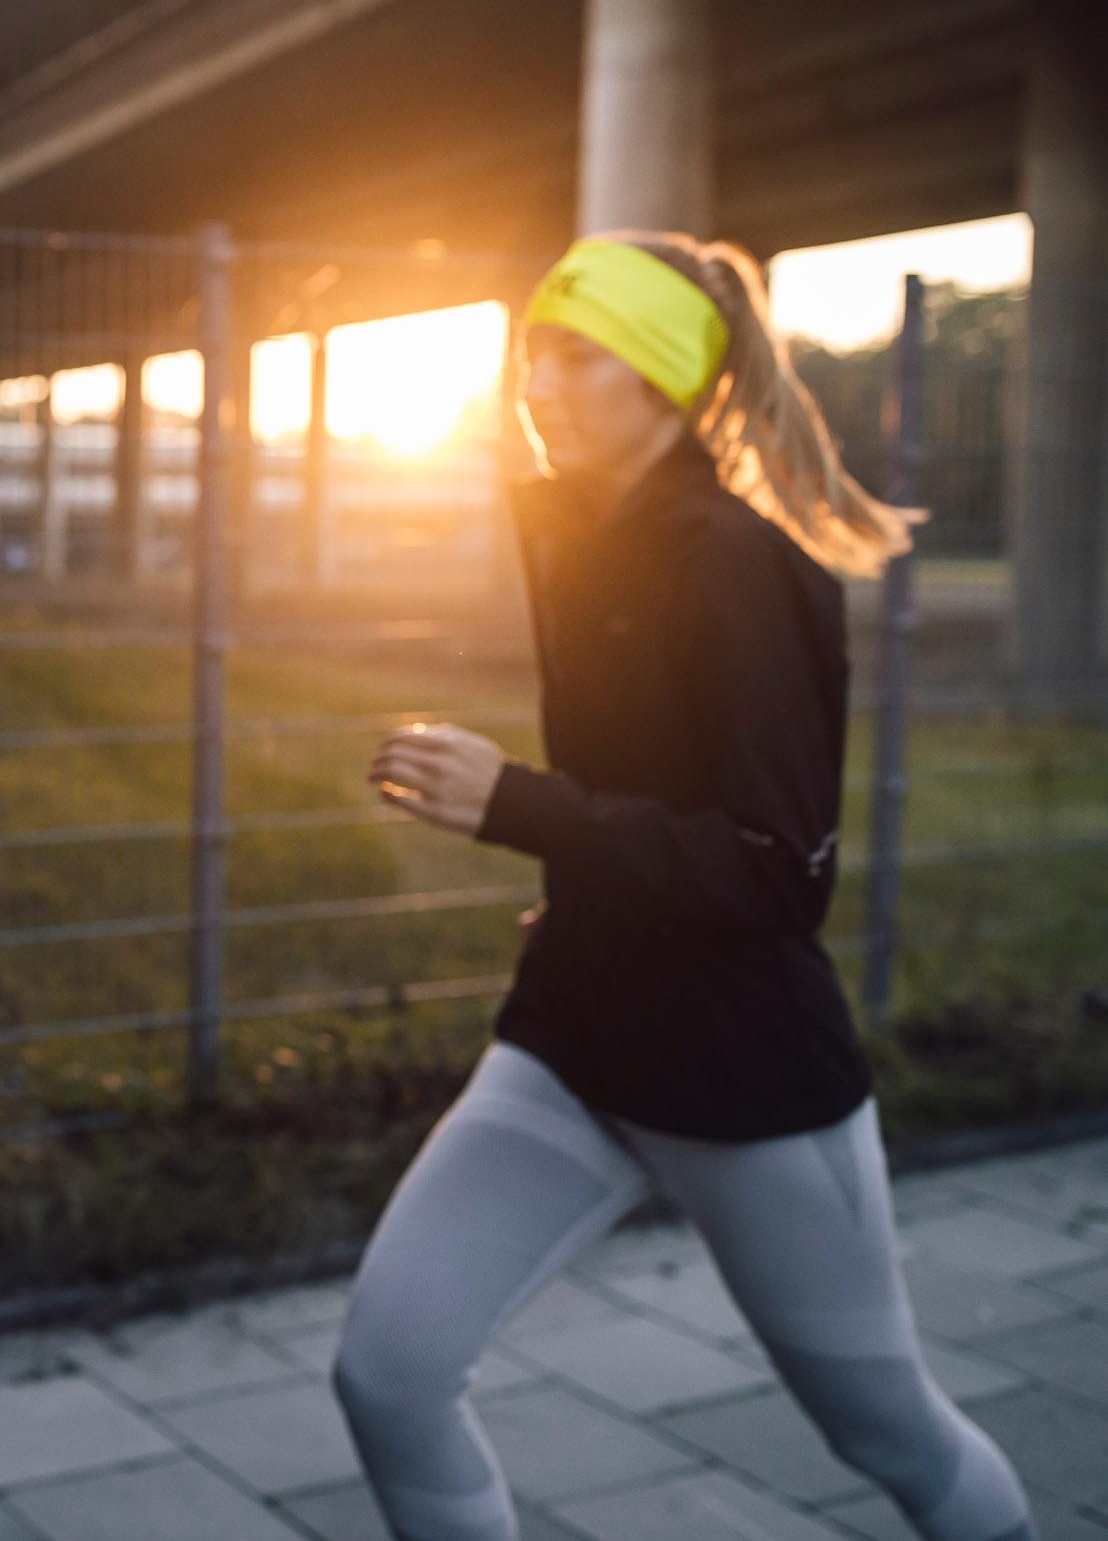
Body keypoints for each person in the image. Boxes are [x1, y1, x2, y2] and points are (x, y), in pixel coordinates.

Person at [331, 233, 1034, 1540]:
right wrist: (530, 815)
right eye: (536, 351)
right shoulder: (577, 535)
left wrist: (513, 802)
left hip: (746, 1079)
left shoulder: (740, 567)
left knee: (886, 1433)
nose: (541, 381)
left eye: (580, 358)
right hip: (576, 1039)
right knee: (387, 1374)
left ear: (662, 381)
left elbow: (778, 875)